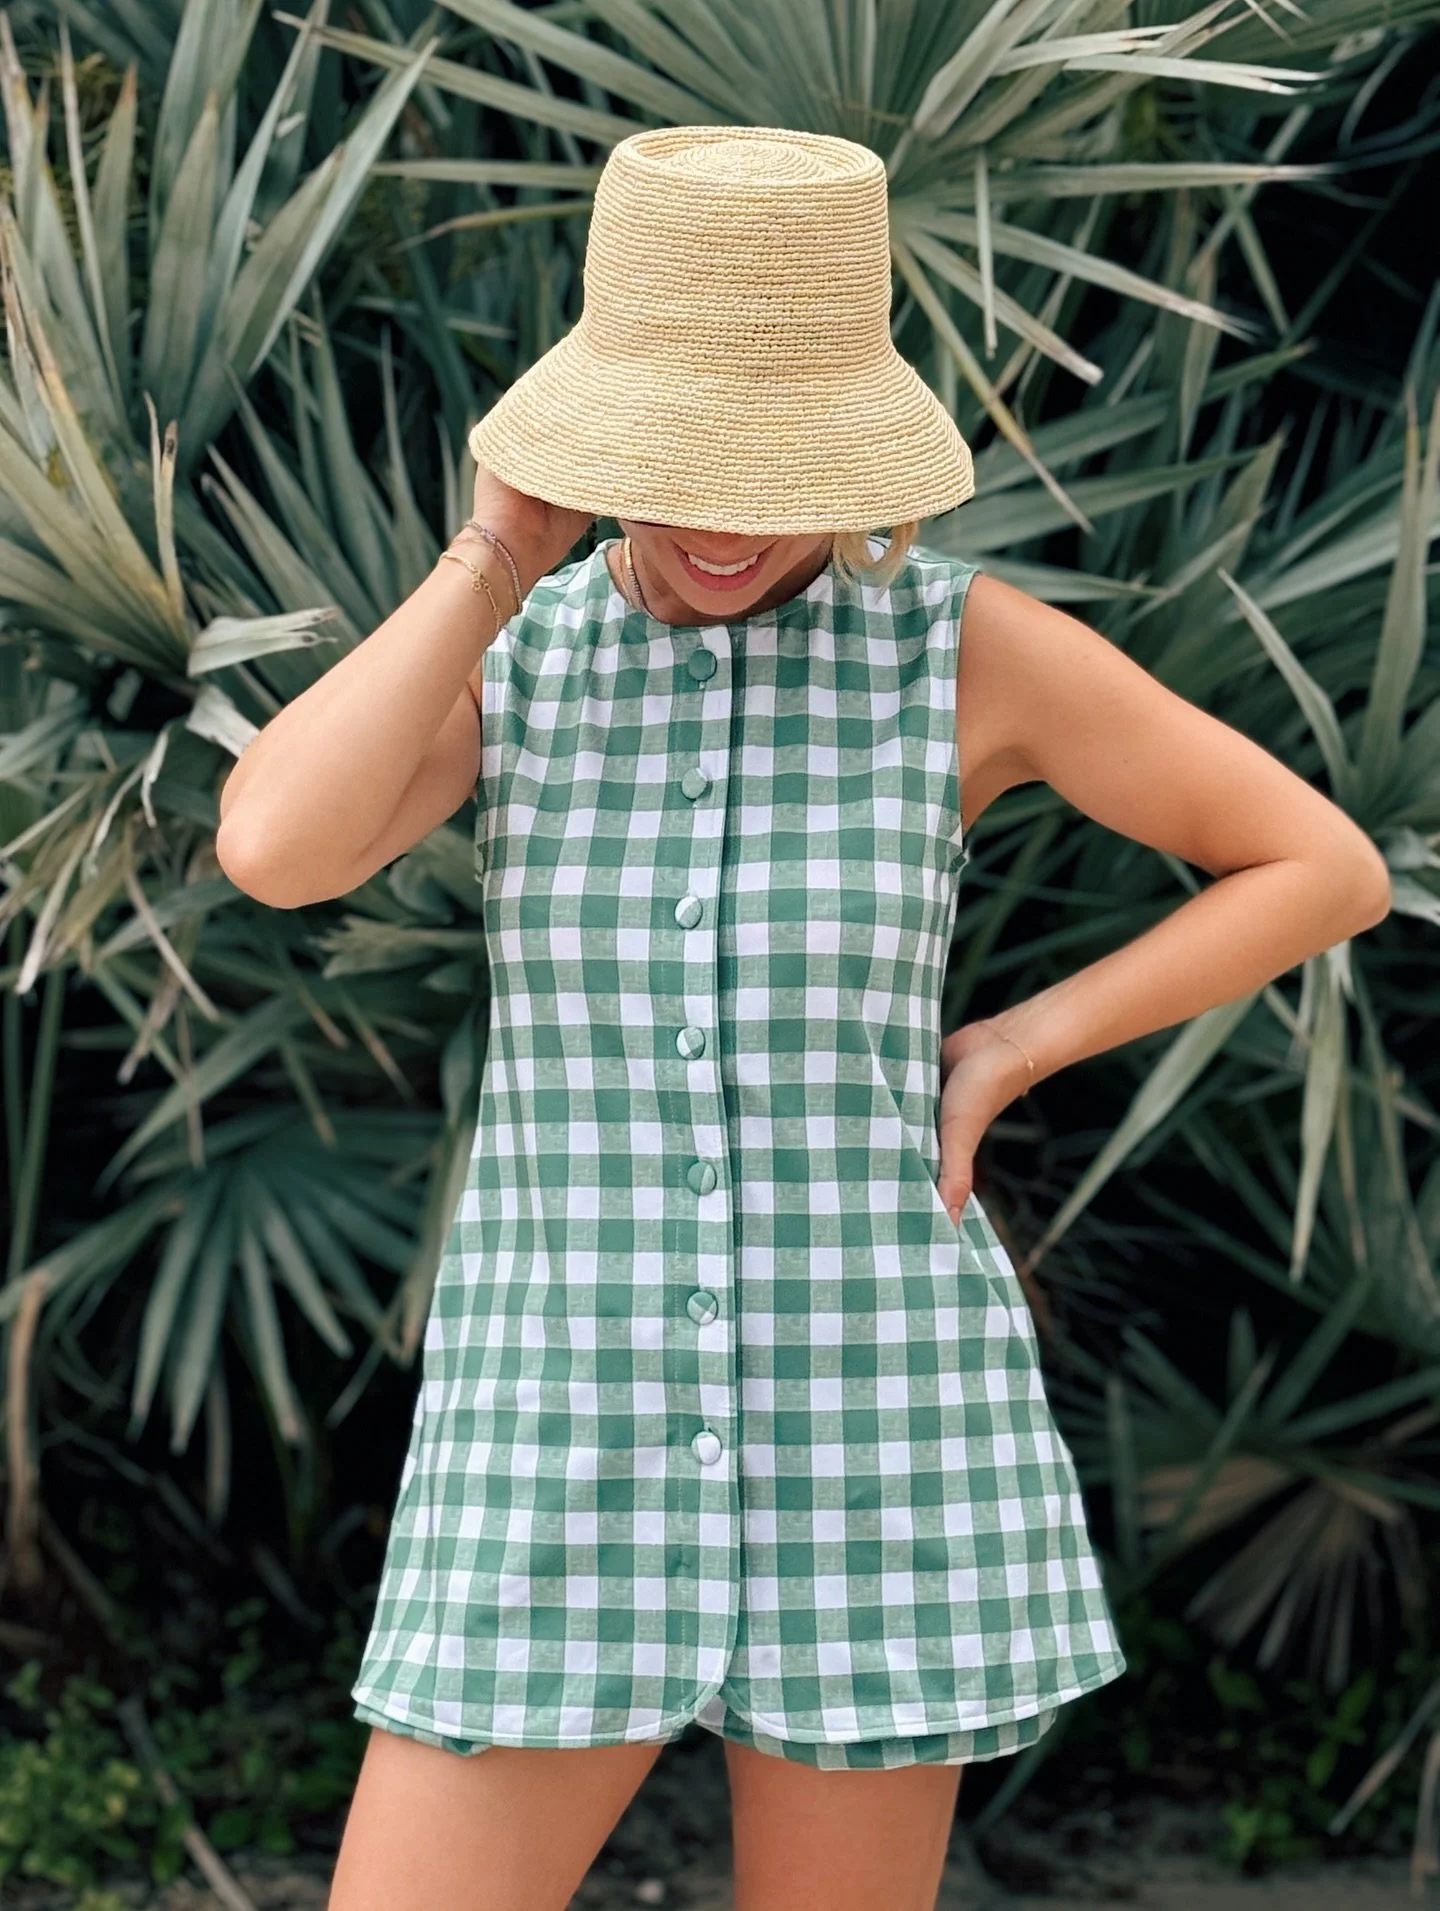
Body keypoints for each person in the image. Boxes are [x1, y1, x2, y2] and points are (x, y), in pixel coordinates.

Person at [215, 126, 1391, 1911]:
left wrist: (1011, 1045)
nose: (717, 518)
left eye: (772, 468)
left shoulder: (960, 649)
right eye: (676, 456)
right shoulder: (519, 661)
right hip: (559, 1415)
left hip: (872, 1406)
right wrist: (489, 557)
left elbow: (1319, 864)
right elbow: (276, 847)